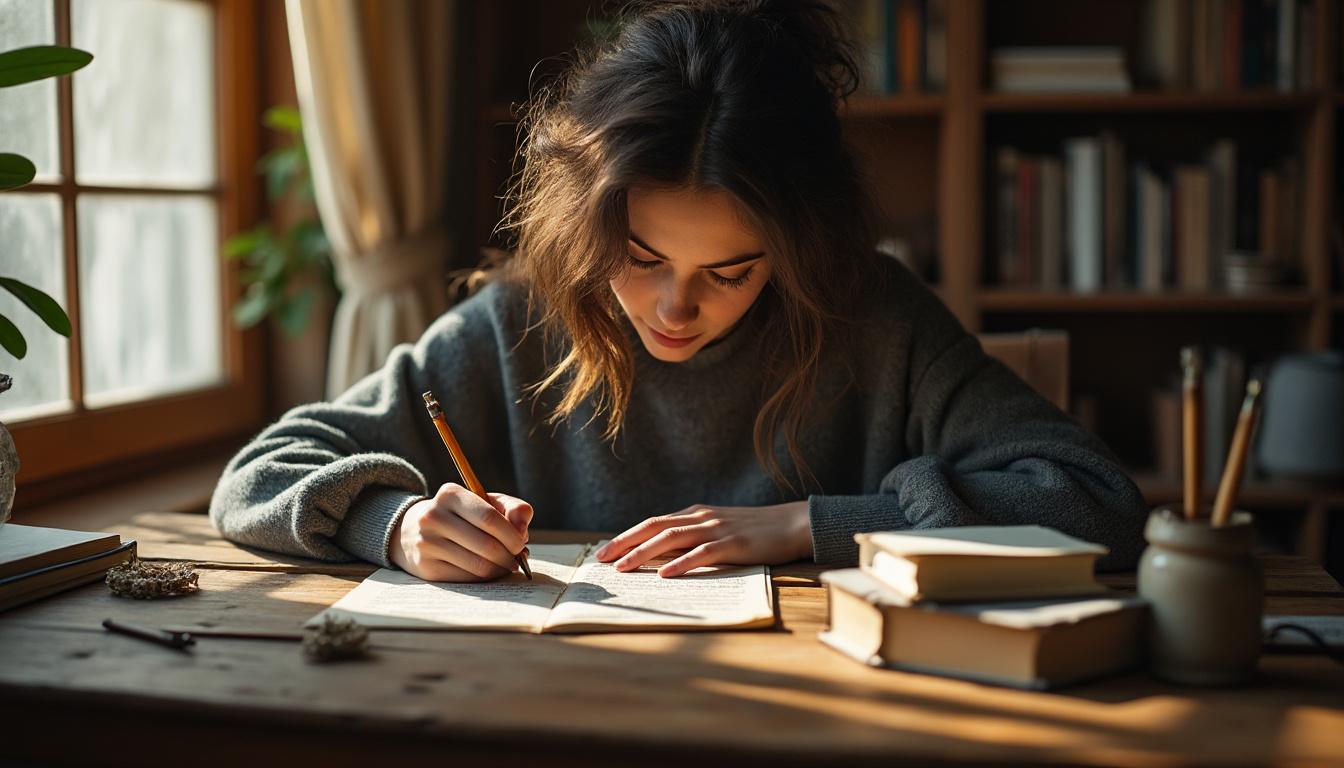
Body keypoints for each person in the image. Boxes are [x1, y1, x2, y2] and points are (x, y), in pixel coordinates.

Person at [210, 0, 1147, 583]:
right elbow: (258, 473)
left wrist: (809, 525)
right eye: (641, 257)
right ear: (589, 225)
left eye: (730, 272)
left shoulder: (874, 317)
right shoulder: (523, 320)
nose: (673, 310)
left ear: (797, 250)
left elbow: (1098, 502)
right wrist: (395, 523)